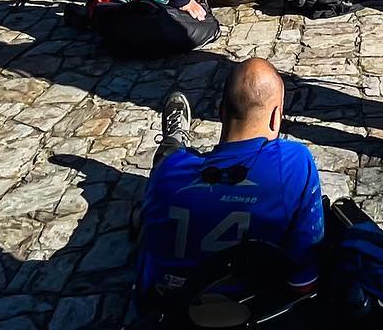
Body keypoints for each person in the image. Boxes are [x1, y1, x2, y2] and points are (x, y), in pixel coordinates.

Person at [133, 59, 324, 316]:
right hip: (251, 312)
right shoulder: (293, 161)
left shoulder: (170, 170)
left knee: (169, 164)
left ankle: (174, 140)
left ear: (220, 111)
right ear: (275, 117)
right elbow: (304, 283)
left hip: (171, 311)